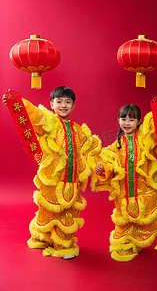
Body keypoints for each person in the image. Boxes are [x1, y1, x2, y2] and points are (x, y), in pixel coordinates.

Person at [2, 86, 101, 259]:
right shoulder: (49, 122)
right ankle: (42, 237)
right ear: (52, 104)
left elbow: (92, 150)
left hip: (72, 181)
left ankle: (63, 244)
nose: (63, 105)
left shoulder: (79, 131)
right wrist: (16, 104)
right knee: (47, 211)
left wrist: (102, 165)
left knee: (67, 213)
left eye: (68, 102)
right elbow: (34, 114)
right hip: (52, 180)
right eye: (59, 102)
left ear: (74, 106)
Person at [93, 101, 157, 262]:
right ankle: (128, 244)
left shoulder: (146, 140)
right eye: (123, 119)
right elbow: (107, 161)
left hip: (147, 192)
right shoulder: (117, 146)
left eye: (131, 120)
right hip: (125, 194)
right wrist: (102, 168)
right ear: (118, 121)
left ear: (139, 122)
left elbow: (156, 127)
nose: (127, 123)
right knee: (125, 223)